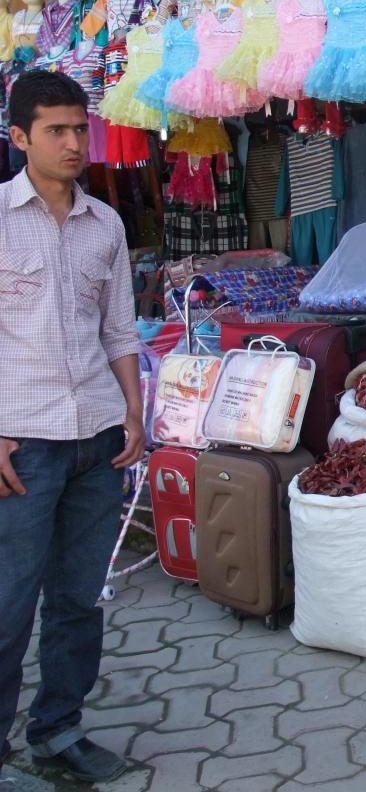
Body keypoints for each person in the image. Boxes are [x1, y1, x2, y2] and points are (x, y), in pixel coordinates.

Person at [0, 70, 144, 786]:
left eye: (79, 129)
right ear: (19, 137)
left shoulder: (105, 224)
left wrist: (134, 413)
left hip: (98, 438)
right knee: (8, 604)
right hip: (21, 445)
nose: (72, 143)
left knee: (80, 598)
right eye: (55, 131)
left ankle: (58, 732)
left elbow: (118, 330)